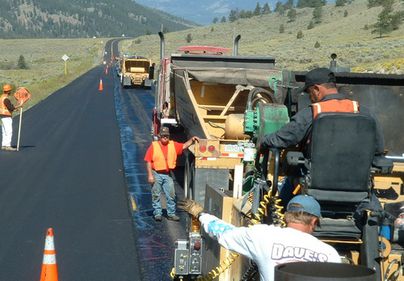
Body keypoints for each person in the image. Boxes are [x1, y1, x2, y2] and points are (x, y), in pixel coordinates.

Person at [259, 67, 385, 205]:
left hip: (314, 187)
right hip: (359, 190)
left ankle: (282, 217)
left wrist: (263, 141)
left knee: (286, 187)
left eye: (309, 93)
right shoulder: (364, 113)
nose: (310, 98)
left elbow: (282, 138)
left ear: (316, 89)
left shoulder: (311, 113)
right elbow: (378, 149)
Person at [179, 195, 341, 281]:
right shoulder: (330, 254)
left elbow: (224, 232)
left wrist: (201, 214)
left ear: (286, 217)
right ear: (314, 221)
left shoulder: (262, 236)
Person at [144, 126, 200, 222]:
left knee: (171, 195)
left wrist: (192, 139)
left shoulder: (173, 145)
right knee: (156, 194)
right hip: (156, 173)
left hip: (167, 174)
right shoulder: (154, 146)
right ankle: (157, 213)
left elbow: (183, 146)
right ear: (159, 136)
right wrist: (150, 175)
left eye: (166, 136)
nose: (165, 137)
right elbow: (148, 161)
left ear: (169, 136)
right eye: (163, 136)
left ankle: (171, 214)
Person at [1, 84, 23, 151]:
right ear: (8, 91)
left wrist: (15, 108)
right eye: (10, 91)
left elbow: (7, 107)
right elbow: (10, 108)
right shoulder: (6, 99)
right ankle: (7, 145)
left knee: (4, 131)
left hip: (2, 116)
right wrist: (19, 105)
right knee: (9, 131)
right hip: (7, 117)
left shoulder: (1, 98)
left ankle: (4, 145)